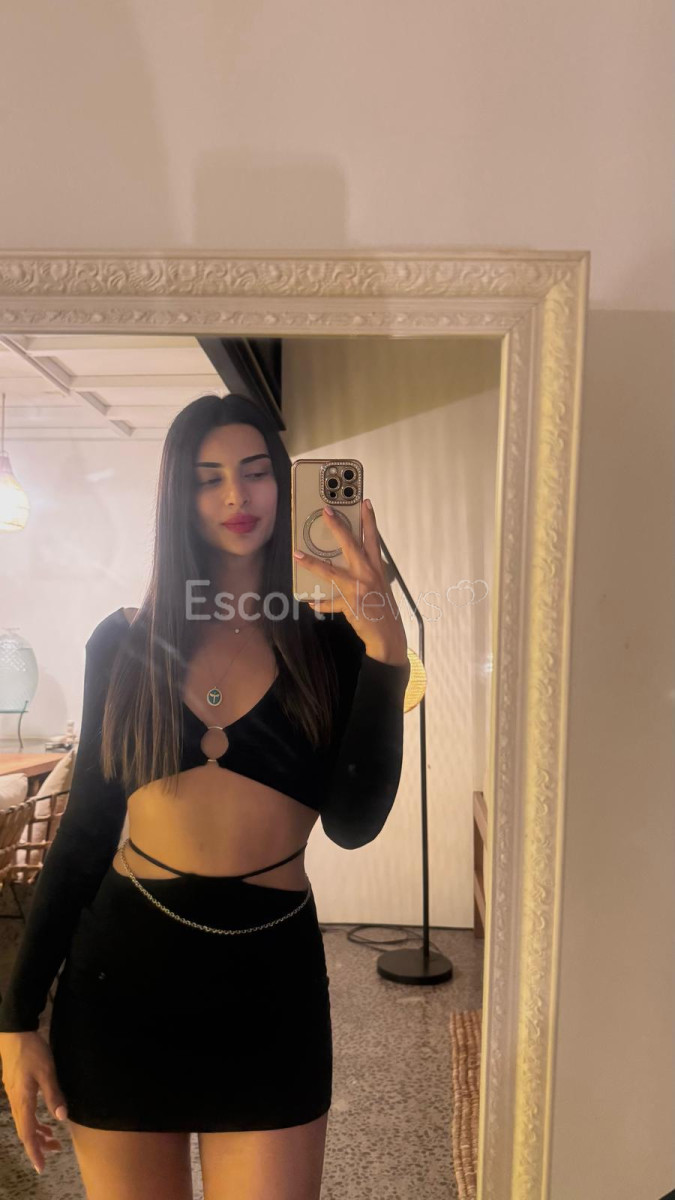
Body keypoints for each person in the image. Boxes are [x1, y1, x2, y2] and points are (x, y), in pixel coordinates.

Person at [0, 393, 410, 1200]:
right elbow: (84, 837)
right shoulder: (125, 641)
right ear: (178, 497)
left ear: (283, 487)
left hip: (271, 988)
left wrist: (386, 651)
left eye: (255, 473)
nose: (234, 496)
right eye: (207, 477)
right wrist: (15, 1020)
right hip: (121, 984)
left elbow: (355, 823)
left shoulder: (333, 645)